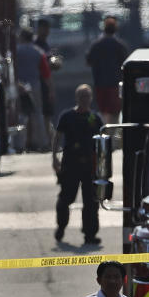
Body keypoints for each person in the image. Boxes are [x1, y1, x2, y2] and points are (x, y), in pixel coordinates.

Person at [53, 84, 103, 246]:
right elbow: (57, 137)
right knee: (66, 198)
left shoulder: (96, 119)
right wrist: (54, 158)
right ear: (77, 98)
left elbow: (103, 143)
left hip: (90, 166)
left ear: (91, 98)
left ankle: (90, 234)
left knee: (91, 202)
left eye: (87, 96)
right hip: (71, 164)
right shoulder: (67, 116)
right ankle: (61, 226)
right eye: (82, 96)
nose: (85, 99)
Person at [86, 17, 129, 125]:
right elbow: (126, 64)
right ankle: (114, 138)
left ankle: (105, 134)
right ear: (115, 29)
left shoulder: (96, 45)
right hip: (115, 84)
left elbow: (88, 61)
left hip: (100, 84)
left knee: (103, 113)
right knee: (115, 114)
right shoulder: (119, 45)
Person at [15, 28, 52, 152]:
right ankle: (43, 142)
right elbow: (46, 73)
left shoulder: (16, 51)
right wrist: (50, 89)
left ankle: (19, 144)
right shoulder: (38, 52)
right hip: (34, 85)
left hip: (18, 85)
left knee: (21, 115)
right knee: (38, 114)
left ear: (22, 37)